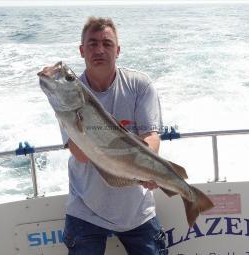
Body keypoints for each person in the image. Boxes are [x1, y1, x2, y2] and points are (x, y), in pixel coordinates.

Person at [43, 17, 167, 255]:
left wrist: (149, 167)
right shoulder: (68, 95)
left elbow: (151, 136)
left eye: (107, 44)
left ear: (118, 50)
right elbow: (80, 154)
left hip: (137, 209)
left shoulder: (139, 85)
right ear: (82, 50)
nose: (99, 50)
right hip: (86, 209)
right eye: (92, 44)